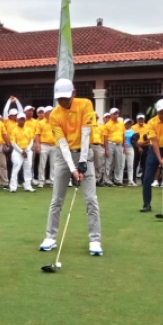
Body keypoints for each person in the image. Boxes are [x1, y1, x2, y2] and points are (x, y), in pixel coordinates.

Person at [37, 79, 102, 255]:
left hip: (84, 153)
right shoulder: (54, 115)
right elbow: (63, 144)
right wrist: (74, 169)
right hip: (63, 158)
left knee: (91, 200)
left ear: (73, 93)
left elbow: (86, 134)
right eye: (59, 99)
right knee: (56, 200)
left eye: (65, 98)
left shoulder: (85, 104)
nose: (63, 102)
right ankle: (50, 238)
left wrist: (82, 162)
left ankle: (95, 240)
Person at [8, 113, 36, 193]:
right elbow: (13, 143)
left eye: (23, 119)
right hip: (17, 152)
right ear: (17, 120)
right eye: (20, 119)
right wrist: (21, 151)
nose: (22, 121)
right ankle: (13, 187)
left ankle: (28, 186)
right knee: (16, 169)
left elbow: (31, 140)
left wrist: (27, 149)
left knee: (28, 169)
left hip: (27, 151)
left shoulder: (28, 129)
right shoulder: (14, 130)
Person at [102, 108, 126, 187]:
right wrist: (106, 149)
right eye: (114, 114)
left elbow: (123, 134)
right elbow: (105, 137)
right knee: (109, 163)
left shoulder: (121, 123)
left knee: (118, 163)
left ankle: (117, 180)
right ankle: (107, 180)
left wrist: (124, 146)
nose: (116, 115)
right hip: (110, 144)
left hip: (119, 144)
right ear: (111, 115)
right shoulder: (107, 124)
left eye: (117, 113)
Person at [37, 106, 57, 188]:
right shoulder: (40, 123)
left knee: (53, 164)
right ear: (46, 113)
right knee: (42, 164)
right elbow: (37, 135)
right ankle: (41, 181)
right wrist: (38, 145)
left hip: (54, 145)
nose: (52, 112)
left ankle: (52, 181)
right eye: (50, 111)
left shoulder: (55, 122)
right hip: (44, 145)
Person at [132, 114, 149, 183]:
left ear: (144, 119)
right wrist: (138, 146)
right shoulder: (133, 127)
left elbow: (150, 138)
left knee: (144, 163)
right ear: (137, 120)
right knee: (135, 163)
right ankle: (133, 179)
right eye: (139, 119)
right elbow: (132, 139)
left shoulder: (148, 127)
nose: (140, 120)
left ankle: (144, 179)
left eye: (142, 119)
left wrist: (142, 144)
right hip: (136, 147)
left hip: (145, 146)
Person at [123, 119, 137, 186]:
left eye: (130, 123)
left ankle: (130, 180)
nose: (129, 124)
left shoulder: (133, 132)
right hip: (123, 148)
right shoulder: (122, 131)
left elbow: (135, 141)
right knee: (121, 165)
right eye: (127, 123)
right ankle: (119, 180)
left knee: (130, 165)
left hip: (130, 148)